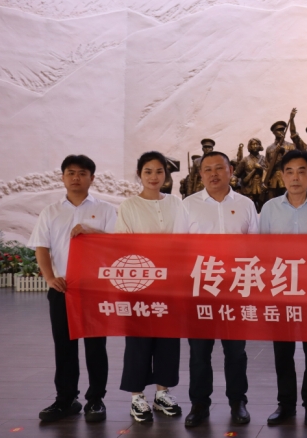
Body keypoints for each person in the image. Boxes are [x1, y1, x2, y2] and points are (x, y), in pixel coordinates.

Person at [29, 155, 116, 423]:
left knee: (95, 346)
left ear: (92, 178)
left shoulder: (106, 210)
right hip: (62, 287)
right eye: (70, 173)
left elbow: (116, 244)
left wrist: (91, 231)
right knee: (64, 346)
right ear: (63, 177)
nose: (76, 177)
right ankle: (66, 399)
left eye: (82, 173)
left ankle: (96, 400)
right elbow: (41, 247)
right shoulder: (51, 211)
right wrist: (49, 277)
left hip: (94, 288)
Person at [178, 151, 259, 427]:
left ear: (230, 170)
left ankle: (238, 402)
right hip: (200, 289)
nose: (213, 174)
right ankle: (199, 404)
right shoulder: (188, 205)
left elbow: (256, 247)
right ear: (201, 175)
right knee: (199, 352)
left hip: (235, 288)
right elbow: (178, 248)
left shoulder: (246, 204)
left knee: (235, 351)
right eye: (207, 169)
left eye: (219, 168)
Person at [260, 149, 307, 427]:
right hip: (280, 291)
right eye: (289, 172)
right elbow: (261, 251)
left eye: (301, 171)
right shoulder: (269, 209)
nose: (295, 177)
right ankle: (286, 404)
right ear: (282, 176)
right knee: (283, 352)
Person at [115, 151, 185, 422]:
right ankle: (137, 397)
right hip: (139, 285)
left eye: (159, 171)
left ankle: (162, 393)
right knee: (138, 341)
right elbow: (123, 244)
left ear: (165, 174)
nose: (154, 177)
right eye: (148, 171)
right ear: (139, 174)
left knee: (168, 340)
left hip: (171, 284)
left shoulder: (176, 203)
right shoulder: (129, 206)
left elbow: (185, 240)